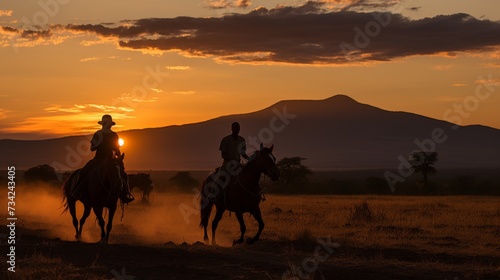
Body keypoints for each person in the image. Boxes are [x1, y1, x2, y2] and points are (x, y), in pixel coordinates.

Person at [79, 115, 134, 204]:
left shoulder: (114, 135)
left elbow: (116, 149)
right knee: (84, 171)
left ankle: (125, 194)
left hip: (111, 160)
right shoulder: (98, 134)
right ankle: (79, 191)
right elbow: (92, 148)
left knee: (123, 175)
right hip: (98, 160)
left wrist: (119, 158)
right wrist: (98, 144)